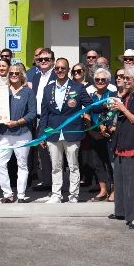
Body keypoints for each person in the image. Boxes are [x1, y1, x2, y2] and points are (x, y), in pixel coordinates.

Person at [39, 57, 92, 203]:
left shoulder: (78, 87)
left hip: (72, 132)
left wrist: (106, 104)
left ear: (68, 70)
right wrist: (42, 134)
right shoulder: (48, 88)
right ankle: (56, 194)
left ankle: (73, 195)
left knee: (73, 166)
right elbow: (44, 114)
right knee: (56, 166)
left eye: (63, 68)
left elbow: (90, 105)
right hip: (53, 132)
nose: (60, 70)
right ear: (54, 70)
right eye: (57, 68)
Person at [108, 65, 134, 229]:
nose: (125, 81)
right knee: (119, 180)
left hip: (133, 142)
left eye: (128, 78)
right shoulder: (127, 95)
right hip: (121, 141)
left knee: (133, 182)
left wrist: (123, 109)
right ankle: (121, 211)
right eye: (124, 78)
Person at [0, 64, 36, 203]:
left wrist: (17, 122)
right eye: (11, 73)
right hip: (5, 133)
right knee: (0, 162)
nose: (14, 75)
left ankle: (21, 195)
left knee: (22, 165)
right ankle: (8, 194)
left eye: (17, 73)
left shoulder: (28, 92)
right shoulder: (3, 91)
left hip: (23, 133)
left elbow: (32, 113)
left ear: (22, 75)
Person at [84, 67, 116, 202]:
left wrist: (105, 130)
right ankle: (103, 190)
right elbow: (86, 113)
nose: (100, 81)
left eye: (103, 79)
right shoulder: (89, 96)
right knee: (97, 163)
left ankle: (114, 191)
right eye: (98, 79)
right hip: (94, 133)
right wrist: (91, 131)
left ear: (108, 81)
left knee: (111, 163)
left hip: (109, 134)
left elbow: (113, 114)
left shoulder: (113, 95)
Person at [29, 48, 55, 192]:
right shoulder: (36, 77)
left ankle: (57, 184)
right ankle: (47, 182)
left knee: (54, 153)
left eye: (46, 59)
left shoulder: (57, 76)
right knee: (43, 152)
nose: (43, 61)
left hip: (52, 120)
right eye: (40, 59)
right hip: (37, 119)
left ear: (52, 61)